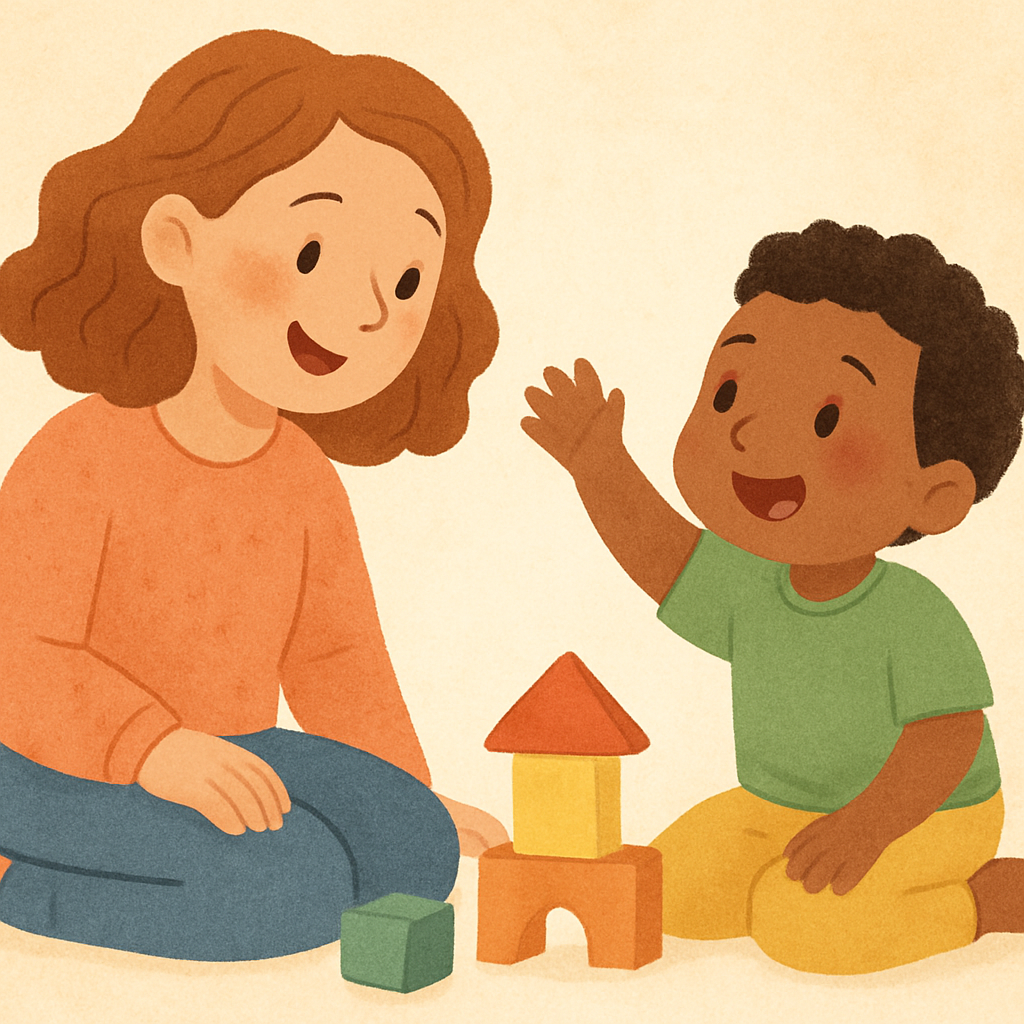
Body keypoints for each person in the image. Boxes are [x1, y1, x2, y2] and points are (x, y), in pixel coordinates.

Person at [0, 29, 506, 961]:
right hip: (46, 767)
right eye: (314, 251)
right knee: (288, 887)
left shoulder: (301, 476)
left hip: (230, 759)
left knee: (413, 850)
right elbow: (20, 657)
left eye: (403, 280)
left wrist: (405, 792)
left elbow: (338, 656)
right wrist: (151, 749)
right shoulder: (80, 453)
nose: (364, 311)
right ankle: (22, 883)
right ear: (177, 240)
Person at [522, 219, 1024, 973]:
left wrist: (867, 826)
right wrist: (600, 467)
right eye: (729, 393)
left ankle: (983, 899)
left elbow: (945, 742)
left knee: (807, 932)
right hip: (776, 807)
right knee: (668, 895)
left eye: (825, 418)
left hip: (926, 814)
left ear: (937, 493)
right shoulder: (754, 586)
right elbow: (665, 557)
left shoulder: (911, 613)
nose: (750, 433)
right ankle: (791, 878)